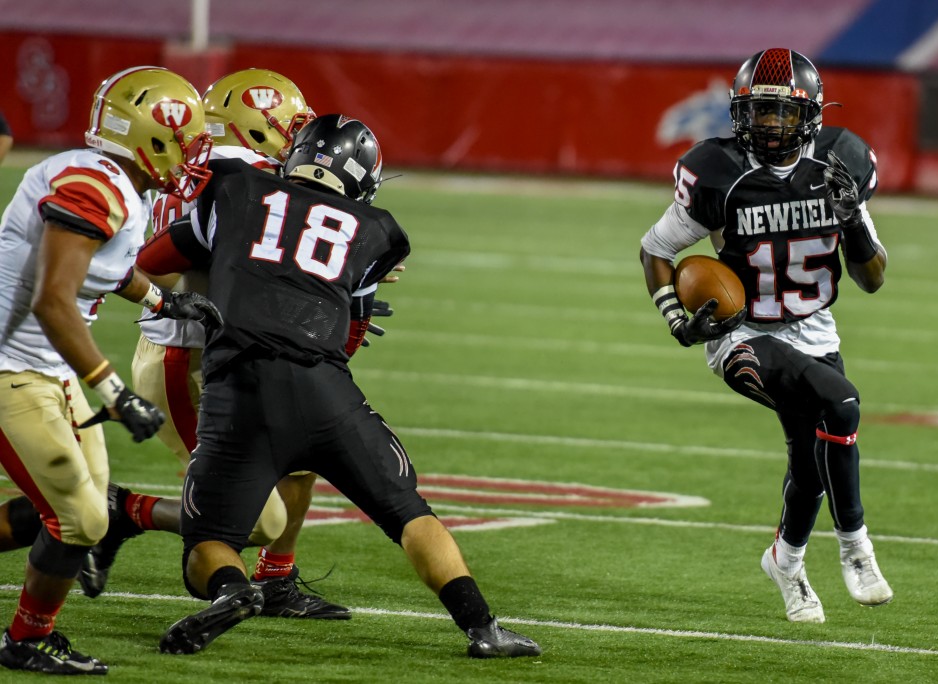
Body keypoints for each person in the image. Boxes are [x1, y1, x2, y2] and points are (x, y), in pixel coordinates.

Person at [136, 114, 541, 658]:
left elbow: (150, 262)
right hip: (323, 388)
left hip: (238, 389)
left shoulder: (233, 187)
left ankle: (233, 592)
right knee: (409, 512)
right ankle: (482, 628)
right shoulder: (378, 229)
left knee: (208, 541)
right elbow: (350, 333)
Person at [76, 68, 351, 621]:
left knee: (300, 461)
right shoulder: (240, 173)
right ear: (255, 127)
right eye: (287, 124)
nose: (296, 137)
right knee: (255, 518)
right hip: (187, 355)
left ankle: (277, 582)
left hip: (235, 351)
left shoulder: (206, 167)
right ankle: (125, 511)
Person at [639, 48, 893, 624]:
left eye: (781, 114)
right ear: (739, 112)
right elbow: (656, 248)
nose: (768, 125)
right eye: (758, 112)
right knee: (842, 403)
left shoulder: (840, 163)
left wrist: (852, 218)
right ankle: (857, 548)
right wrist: (676, 318)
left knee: (810, 465)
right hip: (743, 334)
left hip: (815, 329)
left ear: (810, 115)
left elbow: (872, 277)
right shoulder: (720, 171)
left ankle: (786, 561)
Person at [0, 66, 219, 675]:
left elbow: (110, 266)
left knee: (81, 510)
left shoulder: (118, 183)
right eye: (187, 137)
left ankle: (28, 635)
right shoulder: (93, 185)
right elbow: (53, 298)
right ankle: (25, 640)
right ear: (150, 137)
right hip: (11, 367)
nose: (194, 149)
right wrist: (115, 392)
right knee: (80, 518)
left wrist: (162, 301)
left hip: (46, 366)